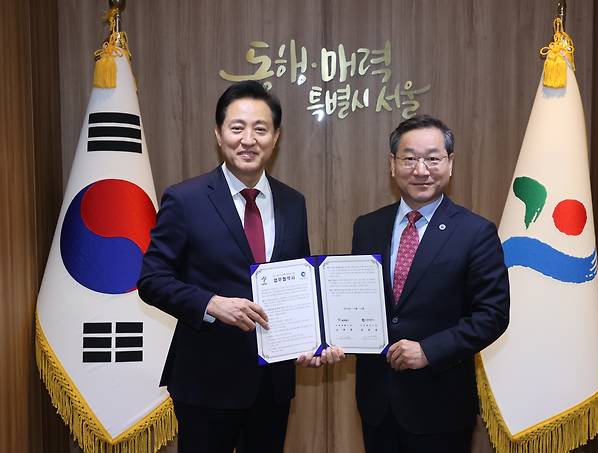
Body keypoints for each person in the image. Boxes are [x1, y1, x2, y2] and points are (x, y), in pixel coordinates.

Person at [138, 81, 320, 453]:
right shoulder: (185, 199)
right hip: (206, 379)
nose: (248, 139)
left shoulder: (292, 202)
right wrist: (210, 304)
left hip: (272, 382)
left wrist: (314, 341)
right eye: (237, 128)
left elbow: (300, 282)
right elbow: (151, 280)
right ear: (219, 134)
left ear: (276, 137)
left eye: (260, 128)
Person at [350, 114, 510, 452]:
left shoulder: (475, 232)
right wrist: (332, 339)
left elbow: (492, 315)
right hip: (378, 403)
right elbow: (357, 303)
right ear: (392, 165)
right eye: (409, 158)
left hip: (441, 405)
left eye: (433, 158)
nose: (421, 170)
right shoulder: (367, 226)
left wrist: (429, 350)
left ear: (450, 164)